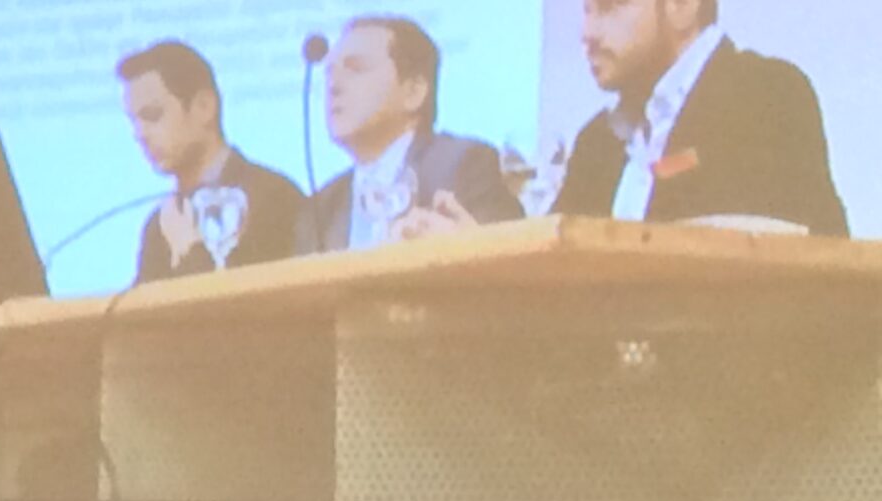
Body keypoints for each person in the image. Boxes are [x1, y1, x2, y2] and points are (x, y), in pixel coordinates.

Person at [554, 0, 846, 236]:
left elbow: (803, 265)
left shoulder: (765, 97)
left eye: (611, 6)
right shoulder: (597, 143)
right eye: (586, 9)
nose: (587, 33)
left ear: (682, 6)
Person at [299, 16, 522, 253]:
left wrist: (467, 248)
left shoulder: (464, 165)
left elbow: (515, 262)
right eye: (329, 73)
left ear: (413, 92)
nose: (333, 86)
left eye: (356, 68)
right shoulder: (321, 207)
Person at [116, 40, 307, 282]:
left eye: (152, 115)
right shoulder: (160, 225)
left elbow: (268, 300)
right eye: (133, 121)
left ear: (204, 107)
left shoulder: (273, 196)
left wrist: (190, 252)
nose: (139, 134)